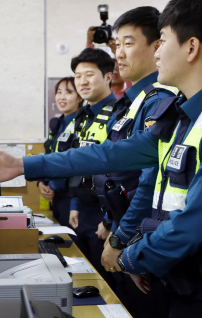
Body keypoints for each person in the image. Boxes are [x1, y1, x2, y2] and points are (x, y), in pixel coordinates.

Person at [0, 0, 202, 318]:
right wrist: (23, 164)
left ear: (191, 48)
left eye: (162, 41)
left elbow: (194, 223)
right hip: (185, 285)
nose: (157, 53)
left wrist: (130, 256)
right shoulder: (184, 114)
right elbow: (109, 155)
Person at [96, 6, 178, 318]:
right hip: (127, 233)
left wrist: (123, 240)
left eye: (128, 44)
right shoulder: (135, 101)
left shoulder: (159, 101)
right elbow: (113, 168)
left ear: (157, 46)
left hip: (143, 239)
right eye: (116, 45)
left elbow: (149, 182)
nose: (118, 54)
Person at [64, 48, 117, 284]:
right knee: (87, 279)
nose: (82, 81)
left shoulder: (118, 113)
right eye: (77, 76)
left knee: (108, 284)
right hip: (84, 210)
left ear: (108, 77)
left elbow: (121, 173)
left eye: (89, 74)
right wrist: (75, 204)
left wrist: (110, 220)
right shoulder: (83, 116)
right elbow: (78, 164)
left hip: (107, 214)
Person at [39, 77, 83, 227]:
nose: (62, 97)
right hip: (56, 196)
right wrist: (41, 182)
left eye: (69, 92)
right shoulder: (58, 123)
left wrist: (53, 186)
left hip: (72, 196)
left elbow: (75, 163)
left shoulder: (81, 124)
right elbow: (49, 155)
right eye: (59, 92)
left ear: (80, 97)